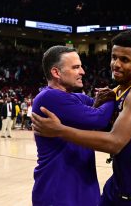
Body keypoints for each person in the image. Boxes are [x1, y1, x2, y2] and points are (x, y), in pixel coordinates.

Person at [32, 31, 131, 206]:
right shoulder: (116, 93)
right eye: (114, 57)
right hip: (117, 185)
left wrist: (60, 130)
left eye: (124, 60)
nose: (116, 64)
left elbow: (114, 141)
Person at [31, 46, 115, 206]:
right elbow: (98, 118)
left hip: (80, 185)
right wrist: (112, 97)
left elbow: (98, 107)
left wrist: (106, 101)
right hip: (58, 191)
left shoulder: (74, 97)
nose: (82, 71)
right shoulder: (49, 97)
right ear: (56, 73)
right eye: (76, 67)